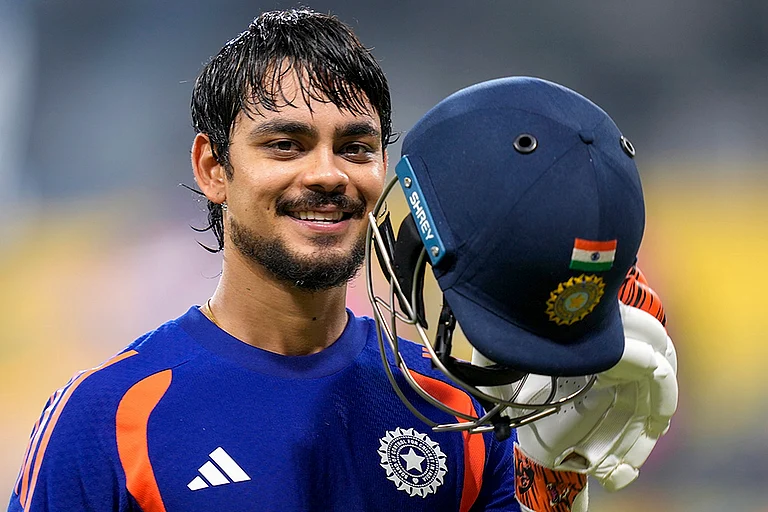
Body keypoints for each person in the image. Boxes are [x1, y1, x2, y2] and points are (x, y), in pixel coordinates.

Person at [8, 9, 676, 512]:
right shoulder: (108, 416)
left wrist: (555, 484)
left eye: (356, 147)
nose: (328, 173)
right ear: (213, 168)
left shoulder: (459, 409)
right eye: (286, 144)